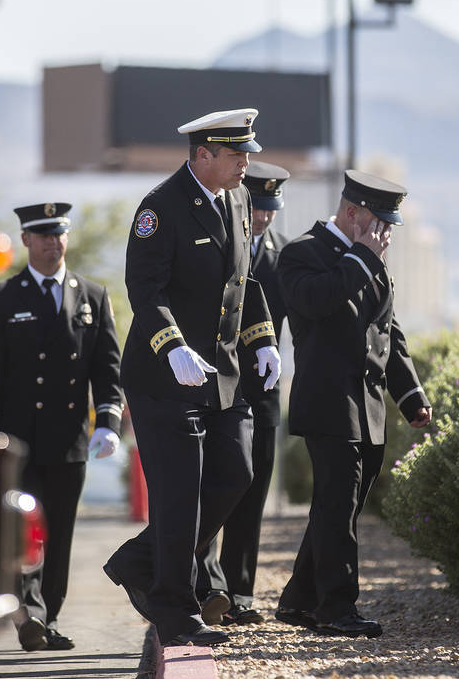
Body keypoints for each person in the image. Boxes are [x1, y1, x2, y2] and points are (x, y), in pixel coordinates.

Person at [103, 109, 283, 648]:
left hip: (221, 374)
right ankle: (175, 607)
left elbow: (243, 284)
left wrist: (264, 338)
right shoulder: (160, 208)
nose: (246, 164)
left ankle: (139, 560)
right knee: (180, 492)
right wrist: (173, 346)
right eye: (236, 155)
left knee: (236, 472)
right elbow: (145, 289)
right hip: (166, 374)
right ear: (202, 155)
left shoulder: (238, 199)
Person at [273, 170, 431, 638]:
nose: (385, 234)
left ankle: (299, 600)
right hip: (328, 403)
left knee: (337, 508)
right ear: (351, 213)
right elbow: (317, 301)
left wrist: (410, 395)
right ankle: (336, 609)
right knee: (337, 509)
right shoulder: (302, 253)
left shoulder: (372, 259)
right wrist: (363, 257)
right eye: (379, 222)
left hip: (369, 408)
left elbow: (388, 334)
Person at [0, 203, 124, 651]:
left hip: (69, 441)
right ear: (25, 240)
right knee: (25, 529)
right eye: (42, 234)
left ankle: (49, 615)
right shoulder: (1, 298)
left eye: (59, 233)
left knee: (60, 533)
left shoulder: (92, 296)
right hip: (16, 440)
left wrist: (107, 421)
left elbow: (107, 369)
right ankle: (30, 612)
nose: (52, 242)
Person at [196, 160, 291, 626]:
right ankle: (206, 584)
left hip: (264, 392)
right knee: (217, 487)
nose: (264, 219)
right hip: (219, 387)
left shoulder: (284, 255)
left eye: (272, 210)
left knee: (252, 492)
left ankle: (240, 590)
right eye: (258, 208)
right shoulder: (218, 242)